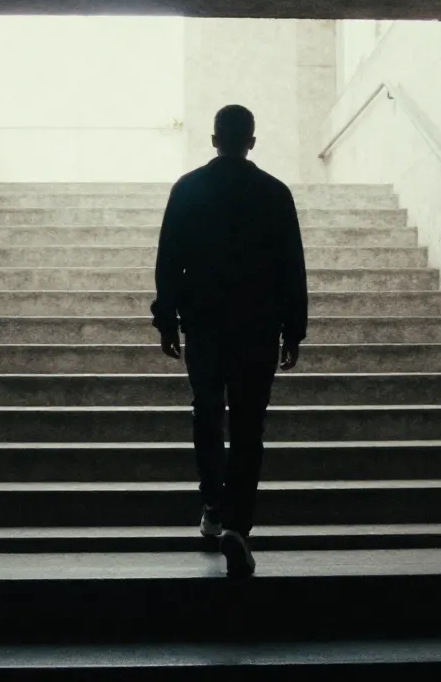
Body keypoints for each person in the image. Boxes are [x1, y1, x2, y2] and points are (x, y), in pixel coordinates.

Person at [151, 104, 308, 577]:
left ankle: (213, 507)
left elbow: (169, 260)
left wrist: (167, 320)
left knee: (206, 412)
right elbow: (291, 267)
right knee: (247, 426)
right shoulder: (274, 193)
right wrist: (293, 329)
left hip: (205, 324)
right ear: (251, 142)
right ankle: (238, 525)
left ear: (214, 140)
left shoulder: (188, 188)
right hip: (257, 328)